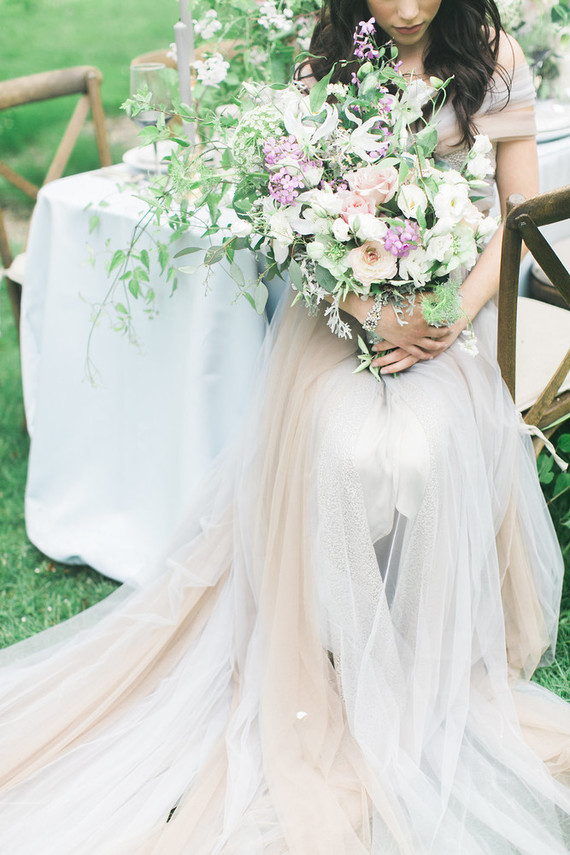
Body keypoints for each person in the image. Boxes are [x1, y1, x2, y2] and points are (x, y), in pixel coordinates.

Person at [1, 1, 569, 852]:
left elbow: (517, 208)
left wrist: (445, 314)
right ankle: (332, 649)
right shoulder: (330, 59)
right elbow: (294, 224)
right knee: (343, 442)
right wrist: (364, 306)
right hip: (337, 316)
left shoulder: (490, 57)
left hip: (452, 309)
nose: (408, 8)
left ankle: (421, 642)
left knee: (425, 445)